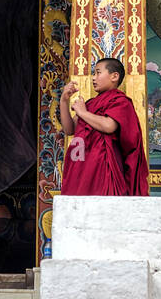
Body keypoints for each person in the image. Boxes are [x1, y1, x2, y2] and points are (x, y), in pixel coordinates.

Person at [58, 58, 149, 196]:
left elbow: (108, 126)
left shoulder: (120, 101)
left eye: (98, 73)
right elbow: (69, 129)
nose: (93, 78)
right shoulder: (90, 104)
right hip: (82, 166)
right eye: (93, 74)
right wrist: (64, 100)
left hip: (103, 169)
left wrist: (82, 112)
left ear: (114, 76)